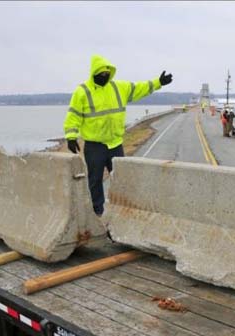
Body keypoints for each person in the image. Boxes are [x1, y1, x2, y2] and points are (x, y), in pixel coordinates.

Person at [63, 54, 173, 215]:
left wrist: (158, 82)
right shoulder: (83, 92)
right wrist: (71, 136)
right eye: (101, 74)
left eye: (107, 73)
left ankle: (122, 210)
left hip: (115, 144)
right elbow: (74, 115)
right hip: (94, 146)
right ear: (94, 73)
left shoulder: (118, 87)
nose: (104, 76)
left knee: (121, 179)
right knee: (95, 180)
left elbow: (139, 88)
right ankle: (97, 212)